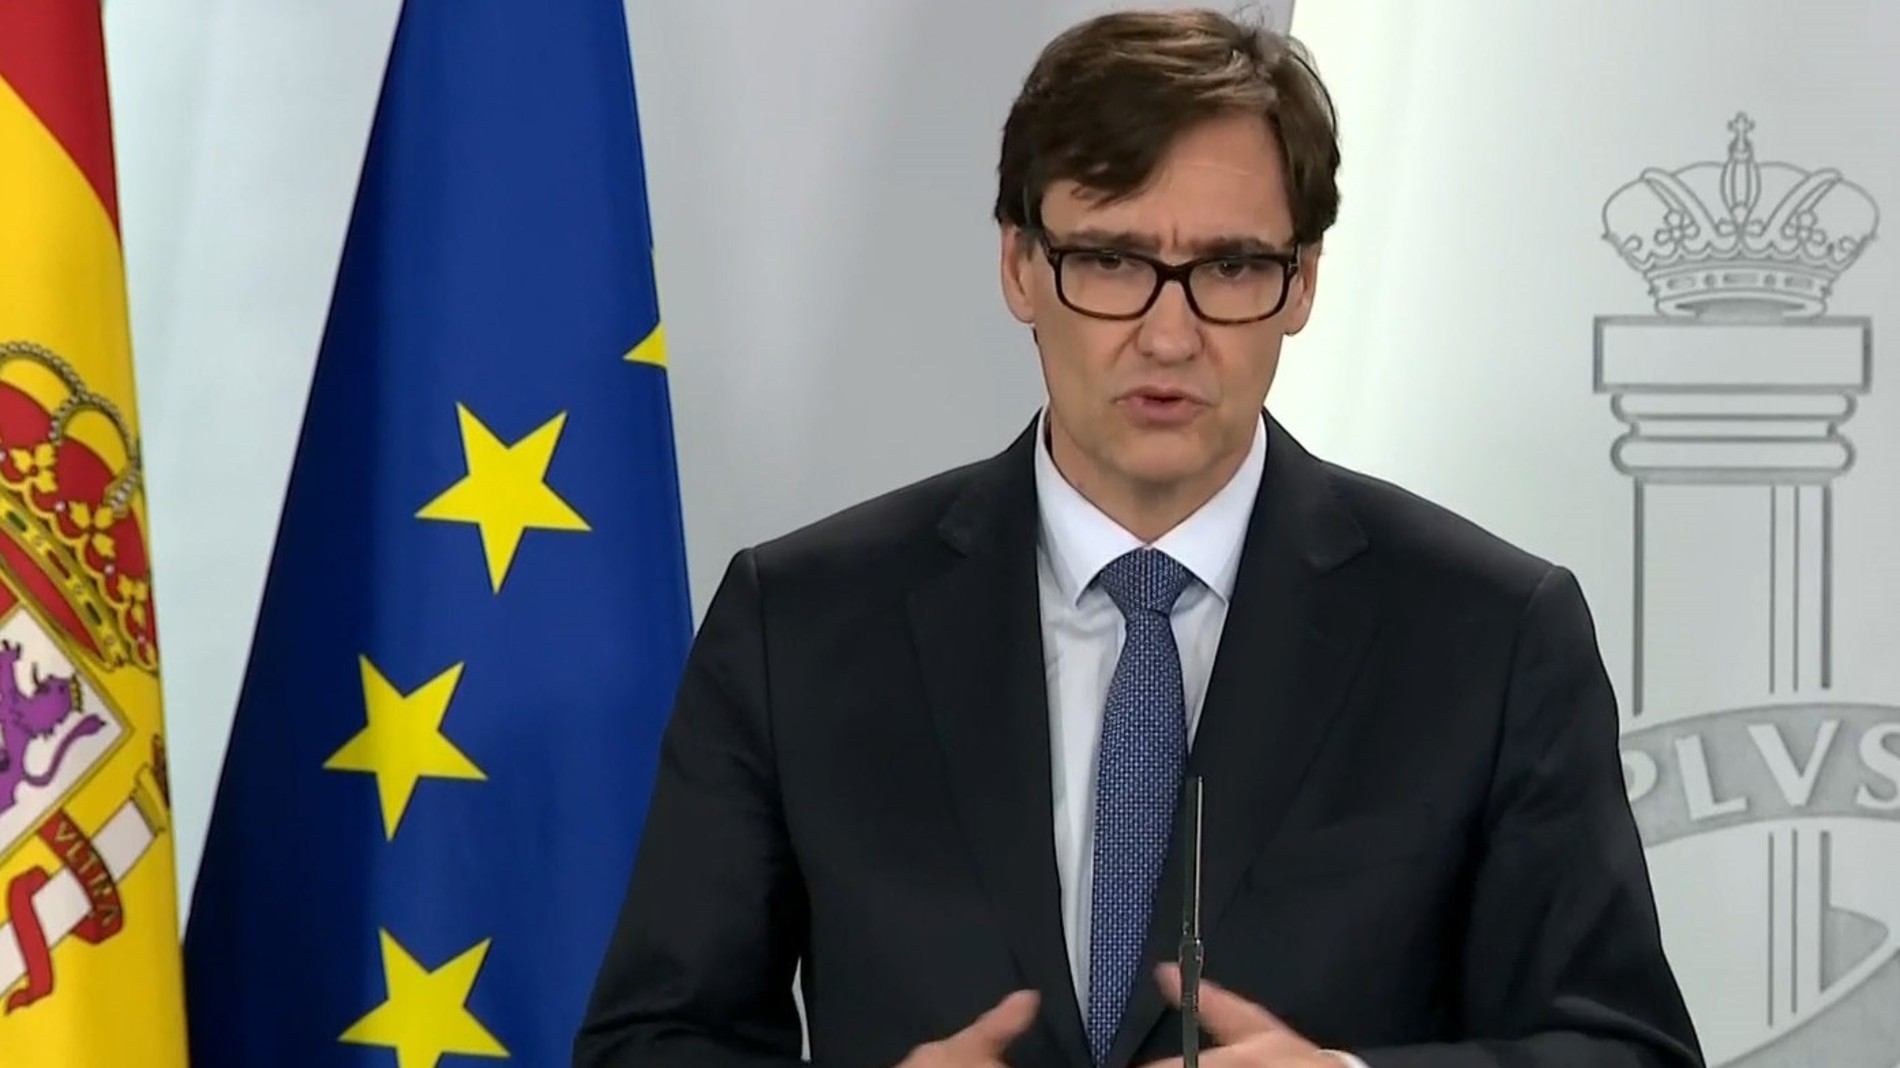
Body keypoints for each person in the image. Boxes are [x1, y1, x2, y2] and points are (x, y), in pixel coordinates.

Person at [574, 9, 1704, 1068]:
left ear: (1302, 285)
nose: (1169, 335)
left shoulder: (1490, 636)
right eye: (1111, 261)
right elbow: (652, 1042)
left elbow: (1623, 1048)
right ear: (1020, 267)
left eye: (1230, 267)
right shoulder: (800, 622)